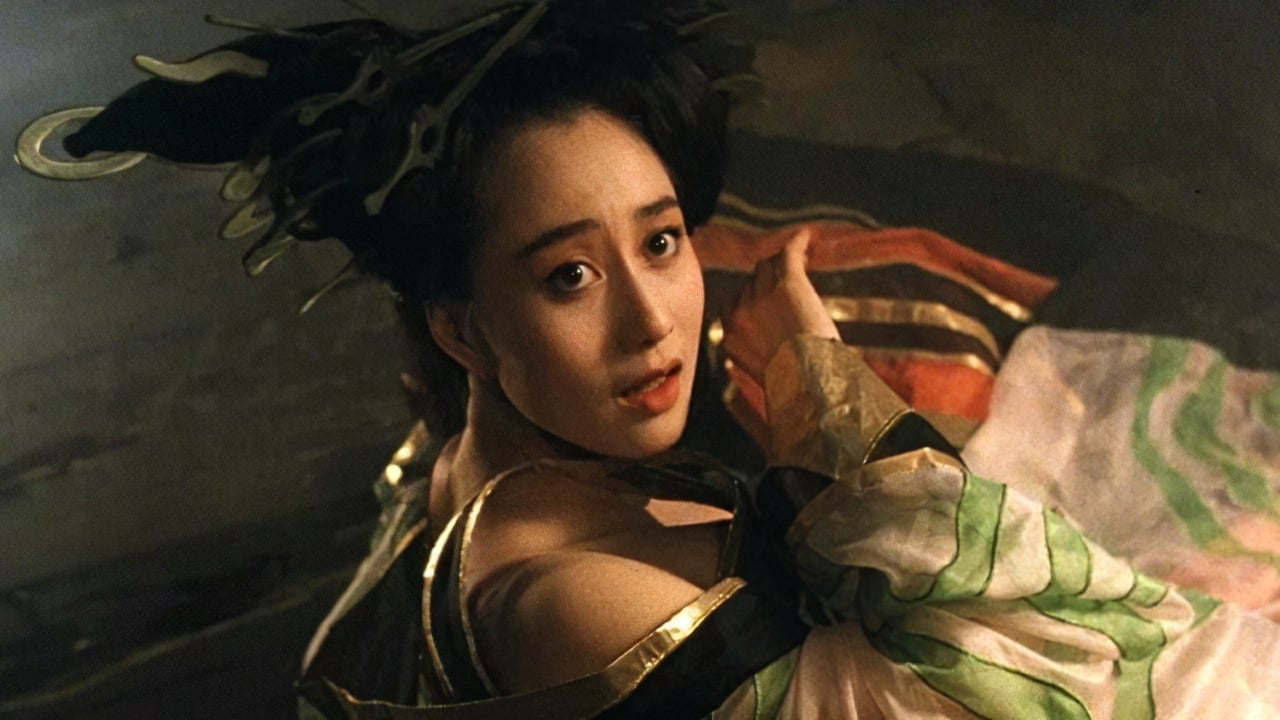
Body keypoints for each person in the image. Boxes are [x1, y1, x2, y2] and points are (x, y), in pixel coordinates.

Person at [17, 2, 1280, 718]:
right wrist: (825, 394)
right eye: (567, 276)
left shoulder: (473, 457)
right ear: (462, 328)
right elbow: (1029, 689)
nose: (652, 323)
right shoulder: (565, 599)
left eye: (661, 242)